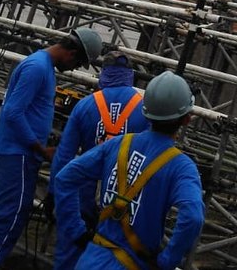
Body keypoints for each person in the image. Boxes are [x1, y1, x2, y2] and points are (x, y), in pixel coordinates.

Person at [0, 27, 103, 270]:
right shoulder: (37, 68)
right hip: (16, 152)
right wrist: (39, 148)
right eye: (77, 63)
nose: (73, 69)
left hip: (19, 152)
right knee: (9, 217)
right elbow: (13, 112)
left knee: (2, 216)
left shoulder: (43, 67)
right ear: (71, 53)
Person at [54, 71, 205, 270]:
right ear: (187, 119)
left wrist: (77, 232)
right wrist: (167, 261)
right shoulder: (181, 167)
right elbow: (193, 217)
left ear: (145, 112)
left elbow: (65, 178)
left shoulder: (118, 144)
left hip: (91, 259)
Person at [48, 52, 150, 270]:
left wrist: (53, 194)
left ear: (103, 74)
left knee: (70, 255)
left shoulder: (84, 106)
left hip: (82, 199)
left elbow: (63, 157)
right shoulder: (145, 110)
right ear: (129, 75)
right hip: (121, 204)